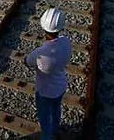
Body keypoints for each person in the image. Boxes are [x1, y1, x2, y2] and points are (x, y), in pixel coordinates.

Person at [24, 8, 72, 140]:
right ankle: (55, 130)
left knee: (45, 117)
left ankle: (47, 136)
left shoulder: (40, 53)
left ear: (43, 28)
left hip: (45, 91)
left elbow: (28, 62)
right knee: (56, 109)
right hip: (61, 86)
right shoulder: (66, 43)